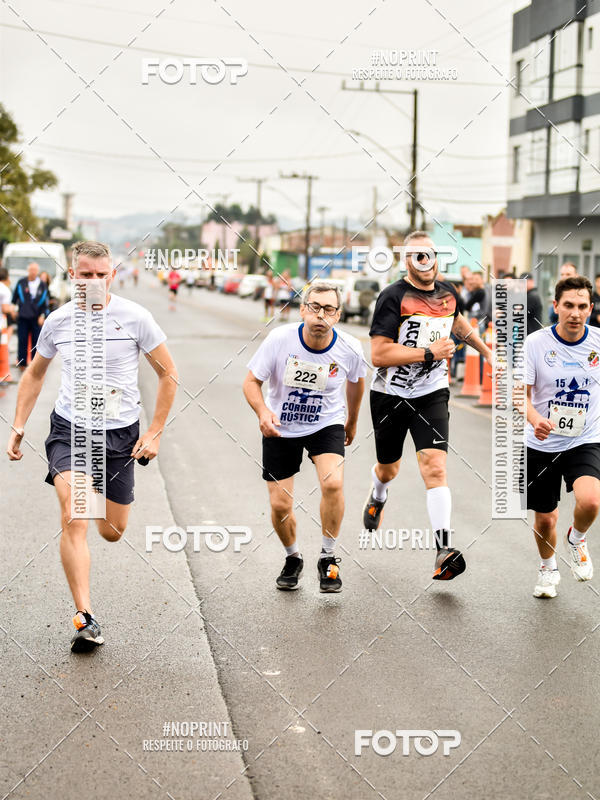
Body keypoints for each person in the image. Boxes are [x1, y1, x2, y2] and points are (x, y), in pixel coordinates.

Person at [6, 241, 178, 651]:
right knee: (76, 513)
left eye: (102, 275)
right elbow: (33, 374)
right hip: (71, 431)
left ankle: (97, 489)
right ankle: (85, 616)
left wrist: (153, 431)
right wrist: (18, 424)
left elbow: (169, 374)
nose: (94, 282)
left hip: (120, 435)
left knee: (113, 530)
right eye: (86, 275)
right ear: (72, 275)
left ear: (113, 276)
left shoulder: (136, 318)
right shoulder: (59, 321)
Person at [363, 231, 492, 580]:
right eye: (417, 255)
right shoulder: (392, 296)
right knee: (388, 467)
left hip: (432, 393)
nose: (425, 260)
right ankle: (378, 493)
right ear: (406, 260)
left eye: (430, 254)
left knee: (434, 467)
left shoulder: (449, 292)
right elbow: (378, 354)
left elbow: (459, 325)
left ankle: (443, 549)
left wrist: (488, 353)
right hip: (390, 396)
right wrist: (429, 353)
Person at [243, 280, 366, 592]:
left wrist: (351, 421)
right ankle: (292, 557)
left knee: (333, 482)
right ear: (302, 310)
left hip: (326, 423)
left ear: (338, 315)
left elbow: (356, 381)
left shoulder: (350, 347)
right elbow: (250, 382)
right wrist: (262, 412)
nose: (320, 314)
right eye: (314, 307)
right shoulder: (279, 339)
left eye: (328, 309)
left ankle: (328, 556)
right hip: (280, 424)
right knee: (281, 505)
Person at [525, 275, 600, 598]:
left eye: (582, 306)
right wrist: (535, 419)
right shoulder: (536, 344)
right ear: (555, 306)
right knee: (545, 519)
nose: (575, 313)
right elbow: (519, 394)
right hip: (541, 442)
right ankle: (547, 568)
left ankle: (577, 538)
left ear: (591, 308)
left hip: (585, 438)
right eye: (568, 305)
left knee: (591, 500)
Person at [12, 261, 49, 370]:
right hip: (23, 316)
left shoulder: (43, 285)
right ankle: (22, 363)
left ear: (37, 271)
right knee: (22, 339)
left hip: (36, 317)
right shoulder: (21, 282)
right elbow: (14, 299)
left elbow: (45, 303)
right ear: (28, 270)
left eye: (35, 270)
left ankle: (34, 364)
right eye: (31, 270)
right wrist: (14, 310)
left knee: (36, 341)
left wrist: (43, 315)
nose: (33, 272)